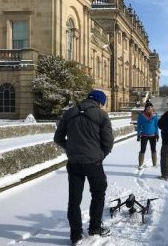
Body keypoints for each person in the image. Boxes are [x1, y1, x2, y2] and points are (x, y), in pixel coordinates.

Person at [54, 89, 114, 245]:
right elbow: (108, 142)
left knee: (74, 200)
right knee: (98, 193)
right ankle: (94, 228)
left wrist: (70, 149)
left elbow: (58, 137)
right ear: (100, 102)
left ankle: (75, 235)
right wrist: (101, 155)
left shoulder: (70, 113)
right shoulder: (102, 115)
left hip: (74, 163)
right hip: (94, 163)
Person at [136, 102, 159, 169]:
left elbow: (156, 126)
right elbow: (139, 126)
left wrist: (157, 134)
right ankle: (140, 164)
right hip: (144, 135)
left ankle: (154, 164)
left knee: (153, 149)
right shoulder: (141, 116)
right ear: (146, 108)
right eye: (148, 107)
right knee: (142, 150)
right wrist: (138, 135)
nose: (150, 109)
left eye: (151, 107)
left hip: (153, 135)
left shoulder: (155, 115)